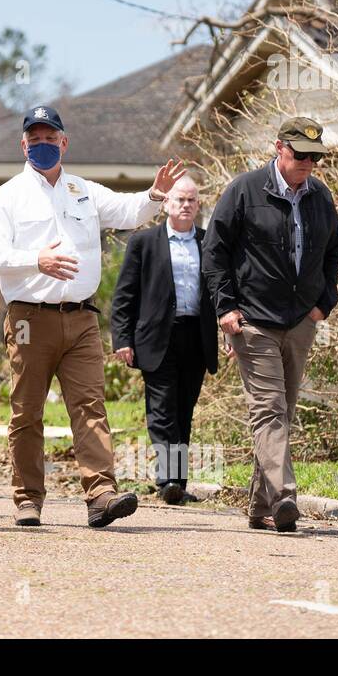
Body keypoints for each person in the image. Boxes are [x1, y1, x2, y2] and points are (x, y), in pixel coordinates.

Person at [0, 104, 187, 528]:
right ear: (23, 145)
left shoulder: (84, 191)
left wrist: (154, 195)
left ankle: (100, 495)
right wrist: (36, 260)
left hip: (81, 320)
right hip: (28, 318)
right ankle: (28, 498)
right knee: (27, 411)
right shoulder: (7, 197)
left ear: (64, 142)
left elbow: (129, 213)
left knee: (90, 405)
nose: (42, 145)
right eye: (34, 139)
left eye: (49, 139)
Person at [202, 117, 338, 533]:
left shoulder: (320, 195)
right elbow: (215, 253)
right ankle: (285, 495)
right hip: (253, 321)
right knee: (269, 410)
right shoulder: (244, 190)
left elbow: (335, 249)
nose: (308, 163)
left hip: (301, 320)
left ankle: (260, 505)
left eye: (314, 157)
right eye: (300, 154)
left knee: (285, 411)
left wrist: (324, 303)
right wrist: (226, 308)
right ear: (278, 147)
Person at [110, 176, 218, 504]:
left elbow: (219, 291)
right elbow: (124, 296)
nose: (185, 205)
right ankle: (167, 478)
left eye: (191, 201)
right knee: (162, 410)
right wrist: (122, 339)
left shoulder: (208, 242)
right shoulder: (144, 243)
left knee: (184, 408)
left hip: (196, 336)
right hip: (156, 338)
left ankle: (177, 484)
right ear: (166, 205)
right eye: (179, 200)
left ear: (198, 206)